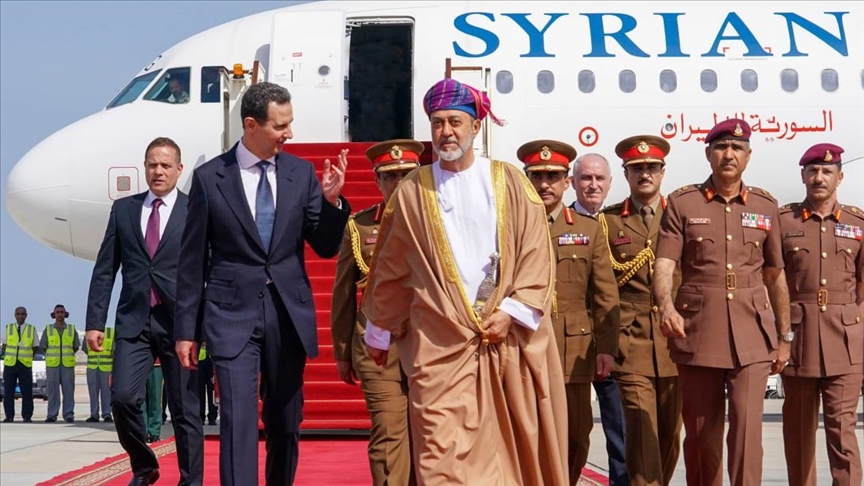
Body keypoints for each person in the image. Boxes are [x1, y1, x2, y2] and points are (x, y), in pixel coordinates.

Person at [362, 78, 568, 486]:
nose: (446, 132)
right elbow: (391, 267)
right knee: (439, 455)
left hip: (506, 339)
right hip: (439, 344)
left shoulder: (510, 181)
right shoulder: (412, 191)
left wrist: (511, 312)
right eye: (437, 123)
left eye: (455, 122)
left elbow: (536, 253)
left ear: (476, 126)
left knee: (510, 458)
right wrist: (378, 332)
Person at [174, 81, 350, 486]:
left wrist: (331, 203)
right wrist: (186, 330)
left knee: (285, 421)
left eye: (290, 123)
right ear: (251, 125)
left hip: (287, 314)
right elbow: (192, 261)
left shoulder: (300, 173)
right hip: (231, 315)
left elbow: (325, 246)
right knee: (237, 420)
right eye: (280, 126)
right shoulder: (209, 178)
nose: (289, 134)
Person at [653, 119, 791, 486]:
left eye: (737, 148)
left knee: (747, 433)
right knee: (702, 435)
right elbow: (664, 263)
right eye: (721, 147)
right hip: (699, 332)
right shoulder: (683, 203)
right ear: (708, 154)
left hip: (753, 333)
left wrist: (785, 336)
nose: (729, 155)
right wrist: (666, 306)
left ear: (748, 155)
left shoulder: (765, 205)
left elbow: (774, 275)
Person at [85, 136, 203, 486]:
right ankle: (144, 465)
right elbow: (105, 269)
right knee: (122, 398)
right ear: (145, 167)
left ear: (179, 169)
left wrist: (204, 322)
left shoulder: (195, 209)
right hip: (134, 321)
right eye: (152, 165)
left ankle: (190, 480)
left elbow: (207, 268)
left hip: (179, 324)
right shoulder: (124, 210)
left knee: (184, 410)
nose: (158, 171)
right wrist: (95, 322)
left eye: (166, 165)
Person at [518, 139, 619, 485]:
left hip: (572, 349)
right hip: (524, 346)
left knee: (576, 434)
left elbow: (604, 294)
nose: (544, 184)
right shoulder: (511, 227)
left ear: (566, 183)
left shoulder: (587, 230)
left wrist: (606, 348)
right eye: (537, 176)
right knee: (528, 431)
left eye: (553, 176)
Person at [330, 139, 421, 486]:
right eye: (390, 176)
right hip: (377, 347)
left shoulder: (440, 222)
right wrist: (343, 352)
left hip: (428, 345)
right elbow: (342, 294)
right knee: (388, 434)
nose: (398, 182)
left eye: (406, 174)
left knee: (430, 435)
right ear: (377, 181)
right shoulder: (361, 226)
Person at [599, 135, 682, 486]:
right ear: (626, 174)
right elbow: (601, 286)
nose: (645, 174)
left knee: (670, 435)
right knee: (640, 430)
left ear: (662, 172)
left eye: (651, 167)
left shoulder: (679, 216)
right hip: (629, 340)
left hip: (674, 340)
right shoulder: (609, 221)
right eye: (637, 168)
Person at [779, 143, 863, 486]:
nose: (819, 177)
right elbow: (772, 281)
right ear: (802, 176)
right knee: (798, 432)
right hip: (799, 341)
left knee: (843, 431)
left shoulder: (858, 223)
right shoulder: (783, 222)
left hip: (845, 342)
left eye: (827, 171)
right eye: (813, 171)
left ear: (839, 177)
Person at [569, 152, 629, 485]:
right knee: (573, 433)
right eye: (586, 178)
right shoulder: (558, 224)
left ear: (609, 183)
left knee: (621, 433)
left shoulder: (618, 225)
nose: (593, 185)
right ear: (573, 183)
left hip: (612, 341)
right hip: (570, 344)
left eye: (599, 179)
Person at [40, 304, 79, 423]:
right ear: (54, 315)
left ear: (65, 314)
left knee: (68, 391)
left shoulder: (71, 329)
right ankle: (52, 415)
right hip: (53, 365)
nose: (60, 314)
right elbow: (43, 346)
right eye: (57, 312)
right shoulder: (48, 329)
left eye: (62, 312)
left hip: (67, 365)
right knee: (52, 392)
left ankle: (69, 414)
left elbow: (75, 346)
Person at [2, 307, 38, 423]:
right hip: (10, 364)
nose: (20, 316)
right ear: (15, 315)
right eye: (18, 314)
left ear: (26, 315)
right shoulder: (9, 328)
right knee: (8, 392)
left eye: (22, 314)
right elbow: (4, 345)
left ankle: (27, 416)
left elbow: (35, 347)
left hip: (24, 364)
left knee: (27, 392)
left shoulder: (31, 329)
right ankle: (9, 416)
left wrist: (27, 356)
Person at [85, 326, 114, 422]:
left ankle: (107, 414)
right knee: (93, 392)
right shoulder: (88, 333)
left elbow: (114, 350)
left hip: (106, 367)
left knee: (106, 392)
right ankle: (94, 414)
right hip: (92, 367)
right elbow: (85, 349)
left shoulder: (111, 333)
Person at [141, 358, 164, 444]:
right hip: (139, 363)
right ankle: (142, 430)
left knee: (156, 398)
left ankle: (154, 432)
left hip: (156, 363)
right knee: (140, 400)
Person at [197, 343, 217, 426]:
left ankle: (212, 416)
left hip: (211, 358)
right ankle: (200, 416)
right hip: (200, 358)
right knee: (200, 389)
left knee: (212, 389)